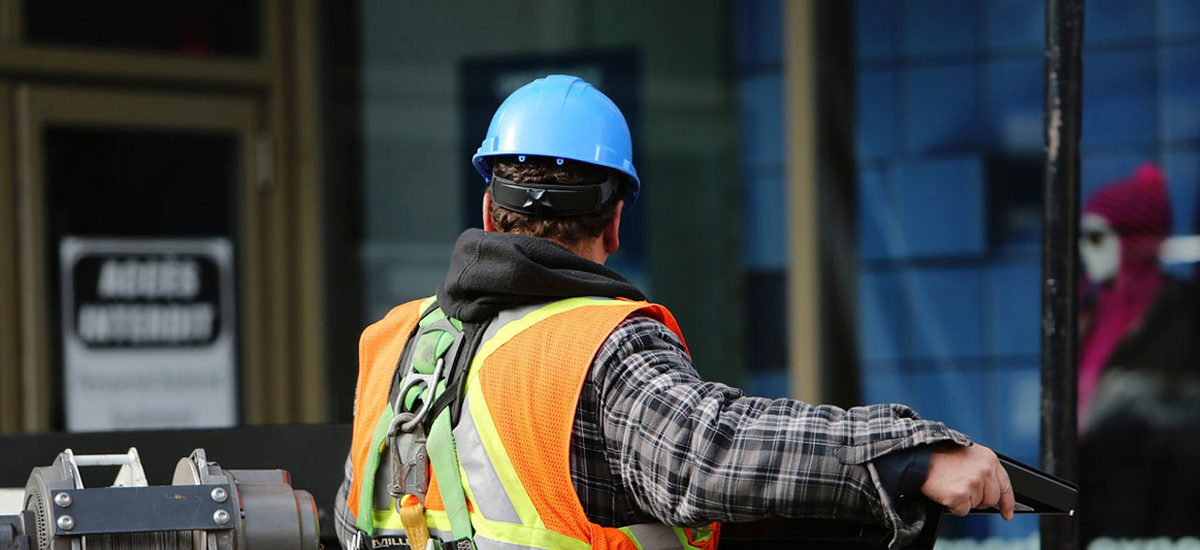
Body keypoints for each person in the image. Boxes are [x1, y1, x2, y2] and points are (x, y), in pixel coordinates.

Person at [334, 75, 1012, 550]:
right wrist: (908, 457)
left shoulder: (394, 341)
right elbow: (709, 453)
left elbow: (353, 519)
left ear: (488, 210)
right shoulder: (598, 348)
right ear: (617, 220)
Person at [1076, 164, 1200, 545]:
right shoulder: (1088, 313)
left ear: (1132, 239)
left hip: (1163, 522)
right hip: (1099, 518)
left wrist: (1126, 397)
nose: (1085, 250)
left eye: (1096, 238)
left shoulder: (1183, 311)